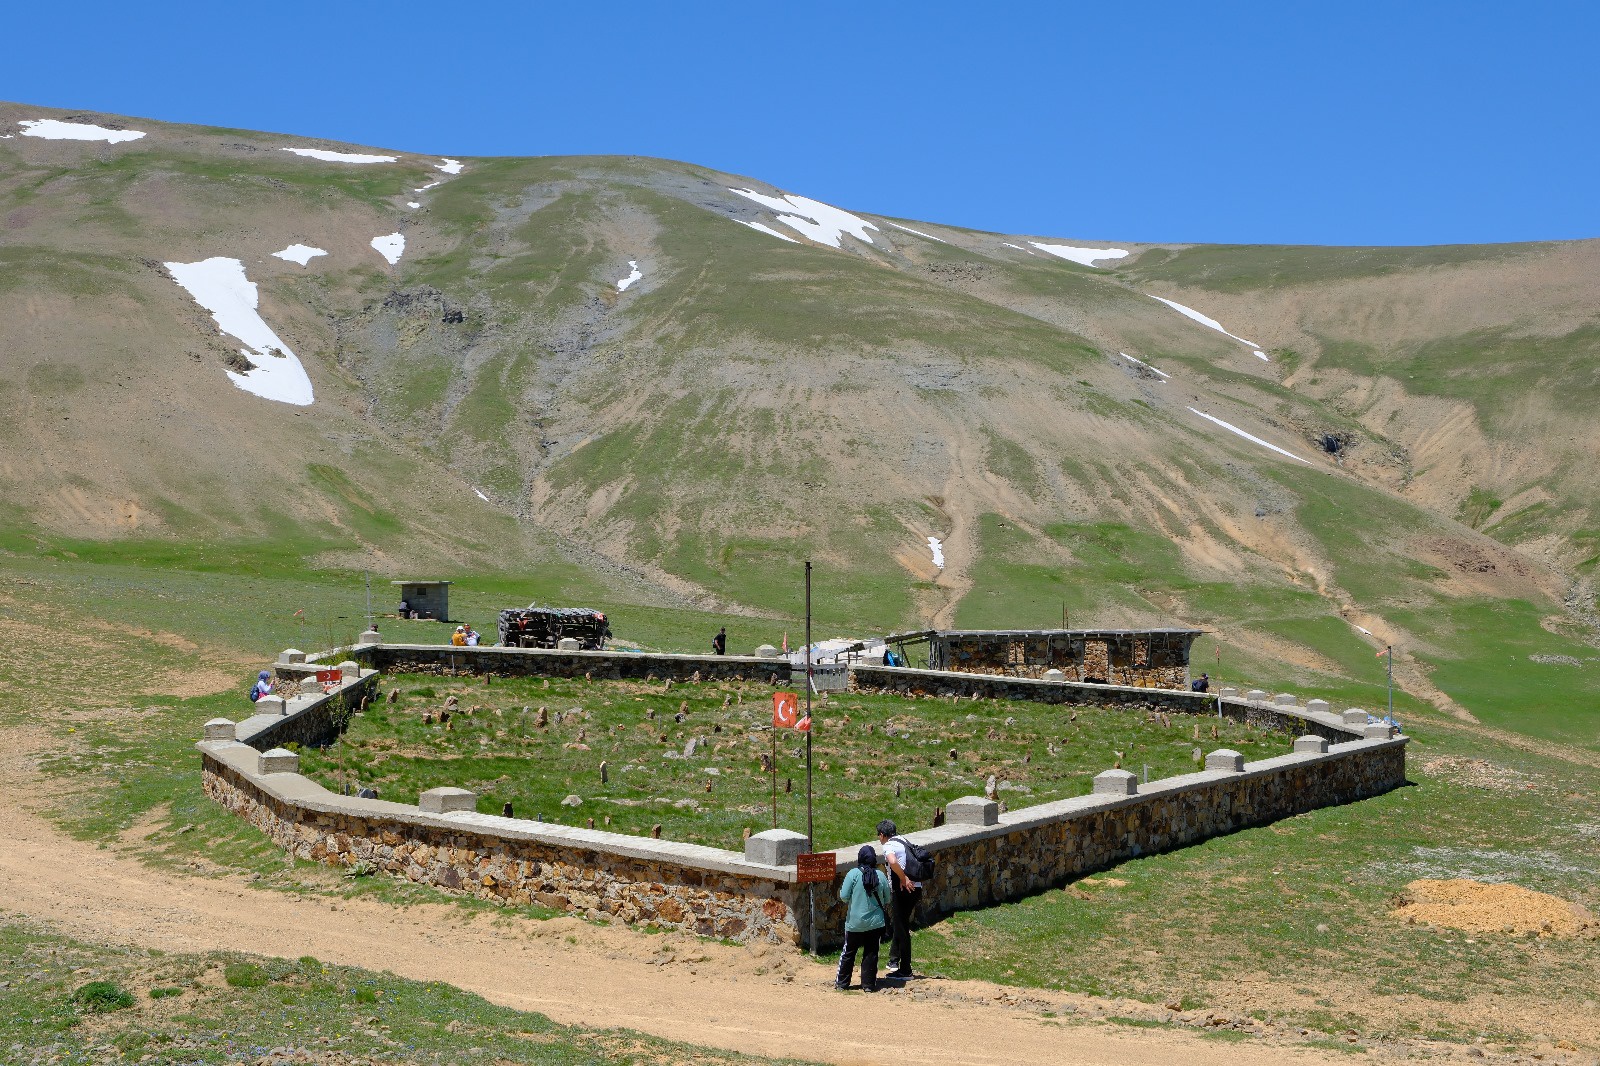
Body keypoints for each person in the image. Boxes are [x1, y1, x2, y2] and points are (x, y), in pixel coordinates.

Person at [835, 844, 891, 992]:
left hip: (855, 923)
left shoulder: (853, 874)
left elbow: (844, 896)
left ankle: (842, 983)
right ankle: (868, 985)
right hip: (876, 923)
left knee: (849, 952)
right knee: (871, 953)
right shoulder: (880, 875)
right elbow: (887, 899)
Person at [877, 819, 921, 980]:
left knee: (901, 928)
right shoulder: (903, 840)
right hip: (917, 887)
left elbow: (893, 861)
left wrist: (903, 879)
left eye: (879, 835)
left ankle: (906, 969)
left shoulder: (888, 845)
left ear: (882, 835)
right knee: (900, 923)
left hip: (903, 889)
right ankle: (894, 960)